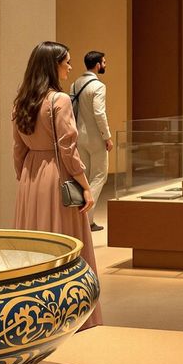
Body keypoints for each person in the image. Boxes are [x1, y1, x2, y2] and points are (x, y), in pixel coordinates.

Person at [12, 41, 102, 329]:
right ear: (53, 66)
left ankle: (33, 316)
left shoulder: (22, 101)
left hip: (31, 177)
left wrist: (25, 179)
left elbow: (18, 149)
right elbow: (68, 149)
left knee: (34, 246)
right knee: (67, 243)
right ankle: (71, 314)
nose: (70, 67)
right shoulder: (59, 100)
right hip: (56, 175)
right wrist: (84, 185)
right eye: (66, 62)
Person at [71, 51, 113, 233]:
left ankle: (79, 218)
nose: (105, 65)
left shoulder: (75, 84)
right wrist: (107, 137)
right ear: (97, 65)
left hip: (79, 136)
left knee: (85, 177)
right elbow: (99, 113)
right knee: (99, 176)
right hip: (95, 137)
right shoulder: (98, 86)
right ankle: (87, 219)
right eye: (104, 62)